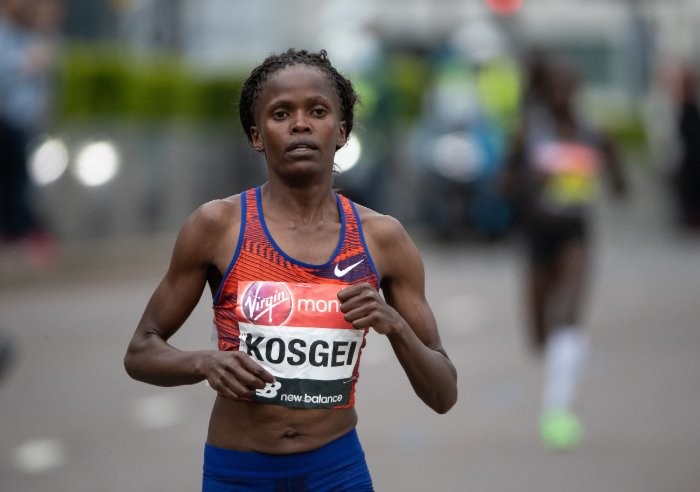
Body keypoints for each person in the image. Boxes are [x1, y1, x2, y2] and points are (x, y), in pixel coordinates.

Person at [124, 48, 458, 490]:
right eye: (281, 113)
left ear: (341, 131)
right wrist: (203, 362)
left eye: (317, 111)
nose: (301, 124)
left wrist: (394, 324)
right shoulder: (217, 226)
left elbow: (443, 393)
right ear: (256, 135)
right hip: (238, 473)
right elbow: (140, 351)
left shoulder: (383, 239)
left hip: (336, 473)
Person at [502, 56, 626, 451]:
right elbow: (504, 182)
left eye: (568, 86)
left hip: (575, 234)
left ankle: (557, 409)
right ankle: (557, 378)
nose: (561, 94)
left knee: (569, 315)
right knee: (540, 335)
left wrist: (611, 161)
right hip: (537, 236)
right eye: (555, 86)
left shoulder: (591, 133)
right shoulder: (530, 131)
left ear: (576, 90)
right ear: (546, 90)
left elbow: (621, 188)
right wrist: (529, 179)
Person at [0, 0, 61, 267]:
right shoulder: (7, 33)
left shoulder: (35, 34)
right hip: (8, 119)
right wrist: (26, 62)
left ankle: (21, 231)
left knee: (22, 178)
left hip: (27, 120)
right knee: (15, 178)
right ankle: (25, 231)